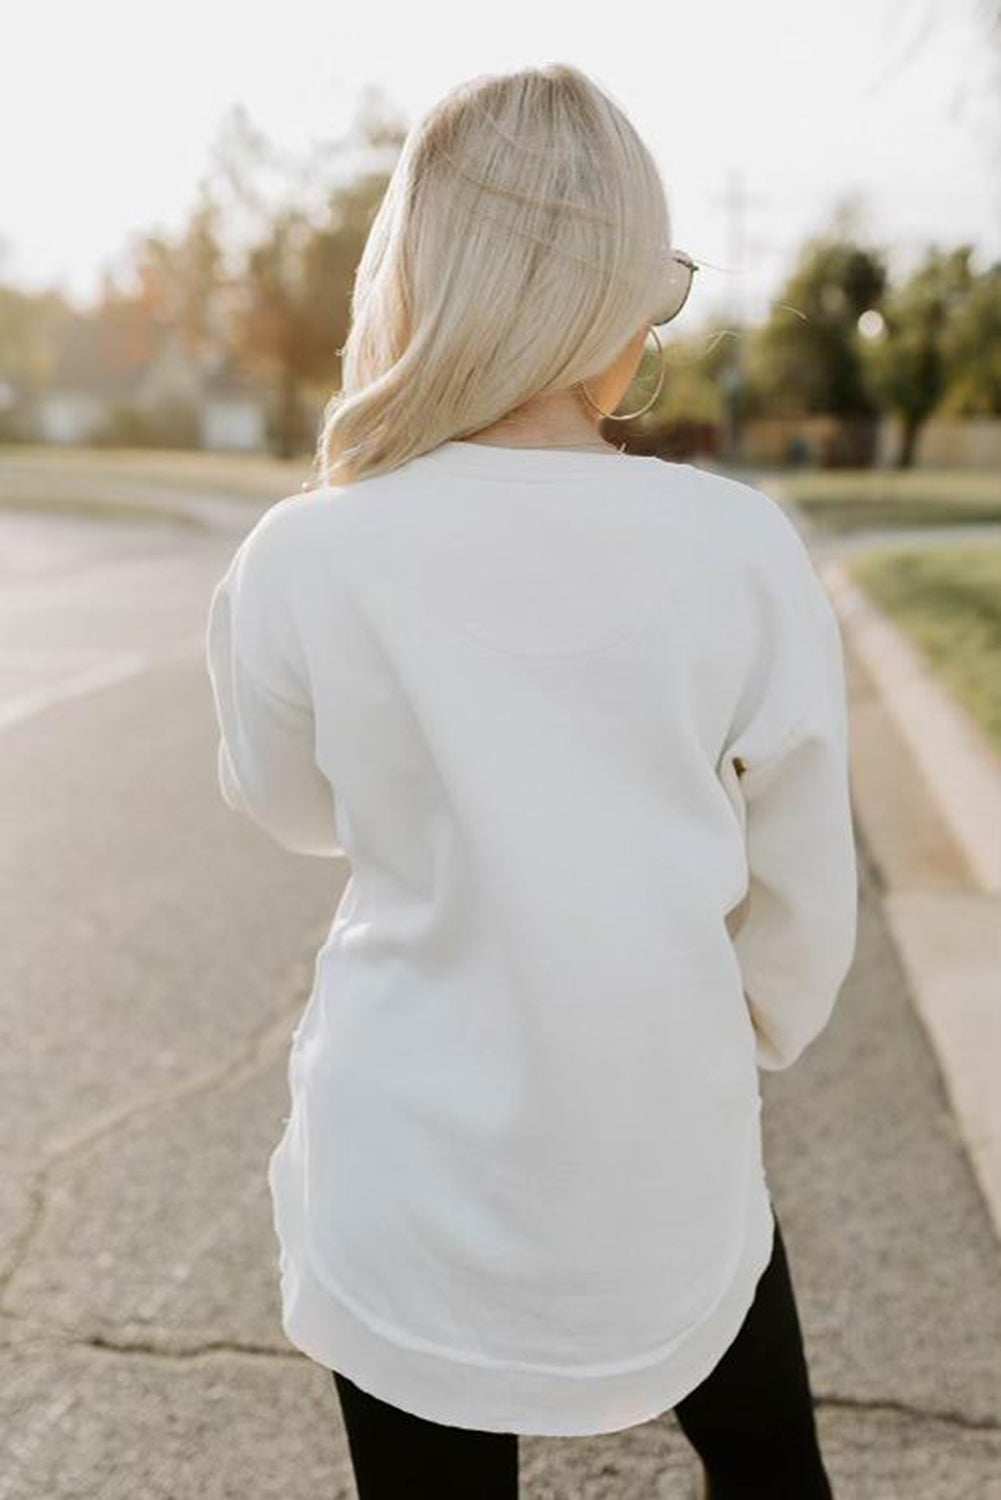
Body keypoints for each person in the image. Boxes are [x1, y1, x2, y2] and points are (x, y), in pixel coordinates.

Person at [205, 62, 857, 1498]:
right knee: (772, 1473)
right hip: (666, 1150)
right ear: (610, 302)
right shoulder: (735, 546)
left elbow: (293, 809)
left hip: (406, 1179)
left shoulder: (305, 552)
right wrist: (707, 1036)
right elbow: (804, 895)